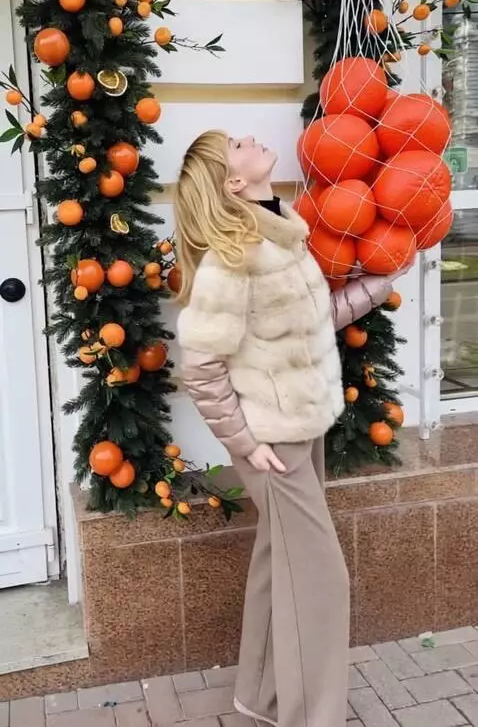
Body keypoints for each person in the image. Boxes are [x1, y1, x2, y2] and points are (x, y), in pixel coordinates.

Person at [175, 130, 401, 727]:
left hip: (303, 425)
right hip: (273, 442)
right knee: (321, 580)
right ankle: (313, 717)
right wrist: (247, 444)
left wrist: (379, 284)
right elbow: (199, 368)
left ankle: (263, 699)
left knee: (285, 568)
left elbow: (311, 320)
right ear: (232, 181)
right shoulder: (234, 257)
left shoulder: (282, 229)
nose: (250, 138)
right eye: (236, 144)